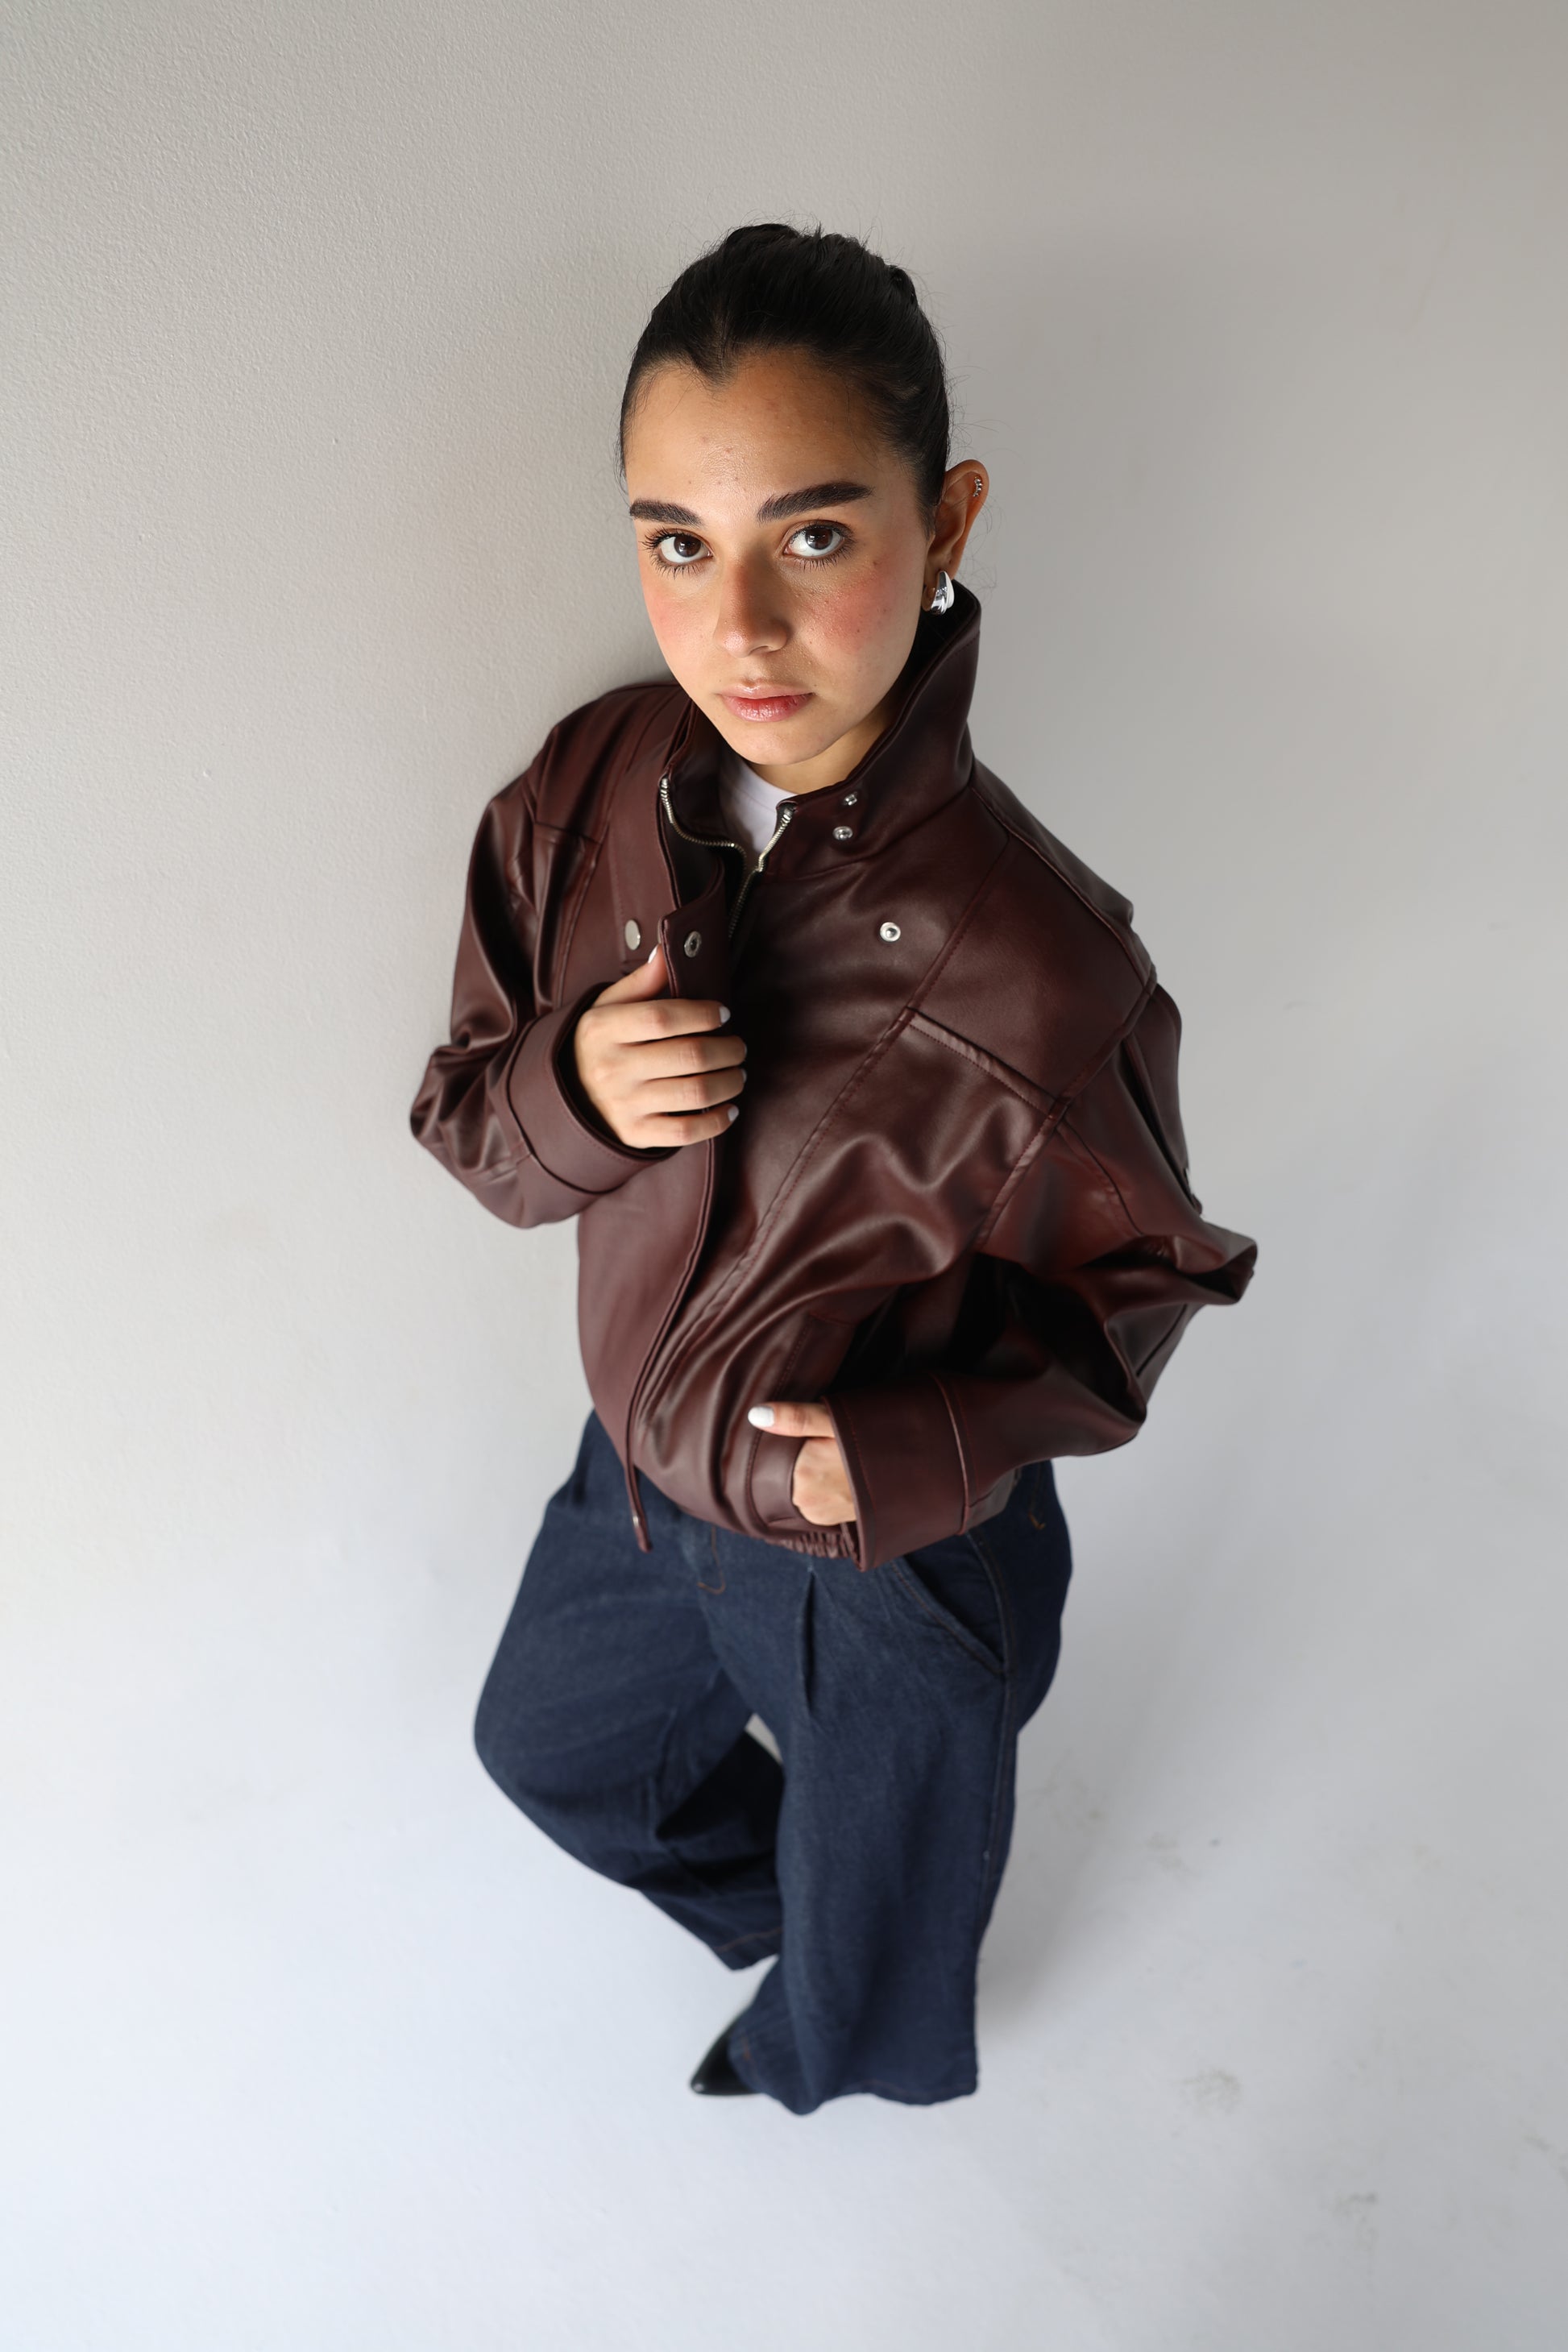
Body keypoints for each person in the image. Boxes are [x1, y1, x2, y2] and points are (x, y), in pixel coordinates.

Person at [409, 223, 1256, 2116]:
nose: (738, 626)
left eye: (810, 535)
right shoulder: (587, 793)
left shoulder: (1047, 965)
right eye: (674, 543)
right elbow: (465, 1114)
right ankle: (795, 1914)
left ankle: (837, 2048)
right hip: (637, 1482)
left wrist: (910, 1450)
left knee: (881, 1932)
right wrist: (568, 1089)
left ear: (942, 521)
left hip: (886, 1545)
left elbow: (1145, 1288)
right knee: (553, 1749)